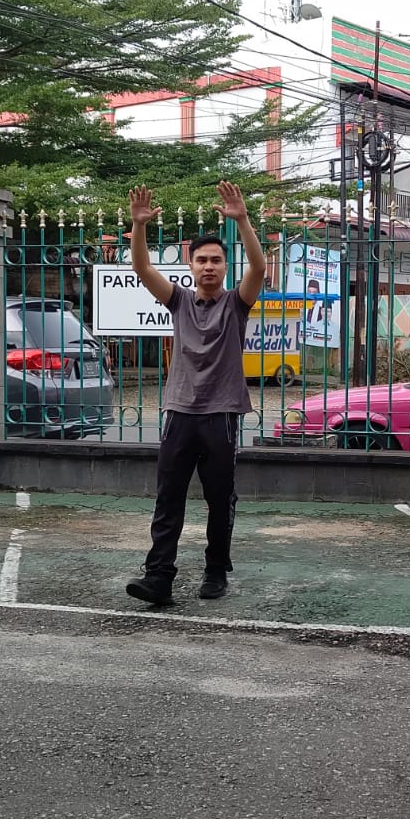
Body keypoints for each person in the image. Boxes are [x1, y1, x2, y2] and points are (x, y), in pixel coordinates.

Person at [124, 182, 265, 605]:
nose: (208, 266)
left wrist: (242, 219)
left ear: (225, 266)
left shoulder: (236, 304)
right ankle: (159, 578)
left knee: (219, 501)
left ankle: (216, 570)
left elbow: (258, 268)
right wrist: (139, 226)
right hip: (179, 414)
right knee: (169, 498)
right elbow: (143, 269)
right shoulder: (179, 301)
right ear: (190, 265)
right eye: (201, 260)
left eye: (216, 260)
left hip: (221, 415)